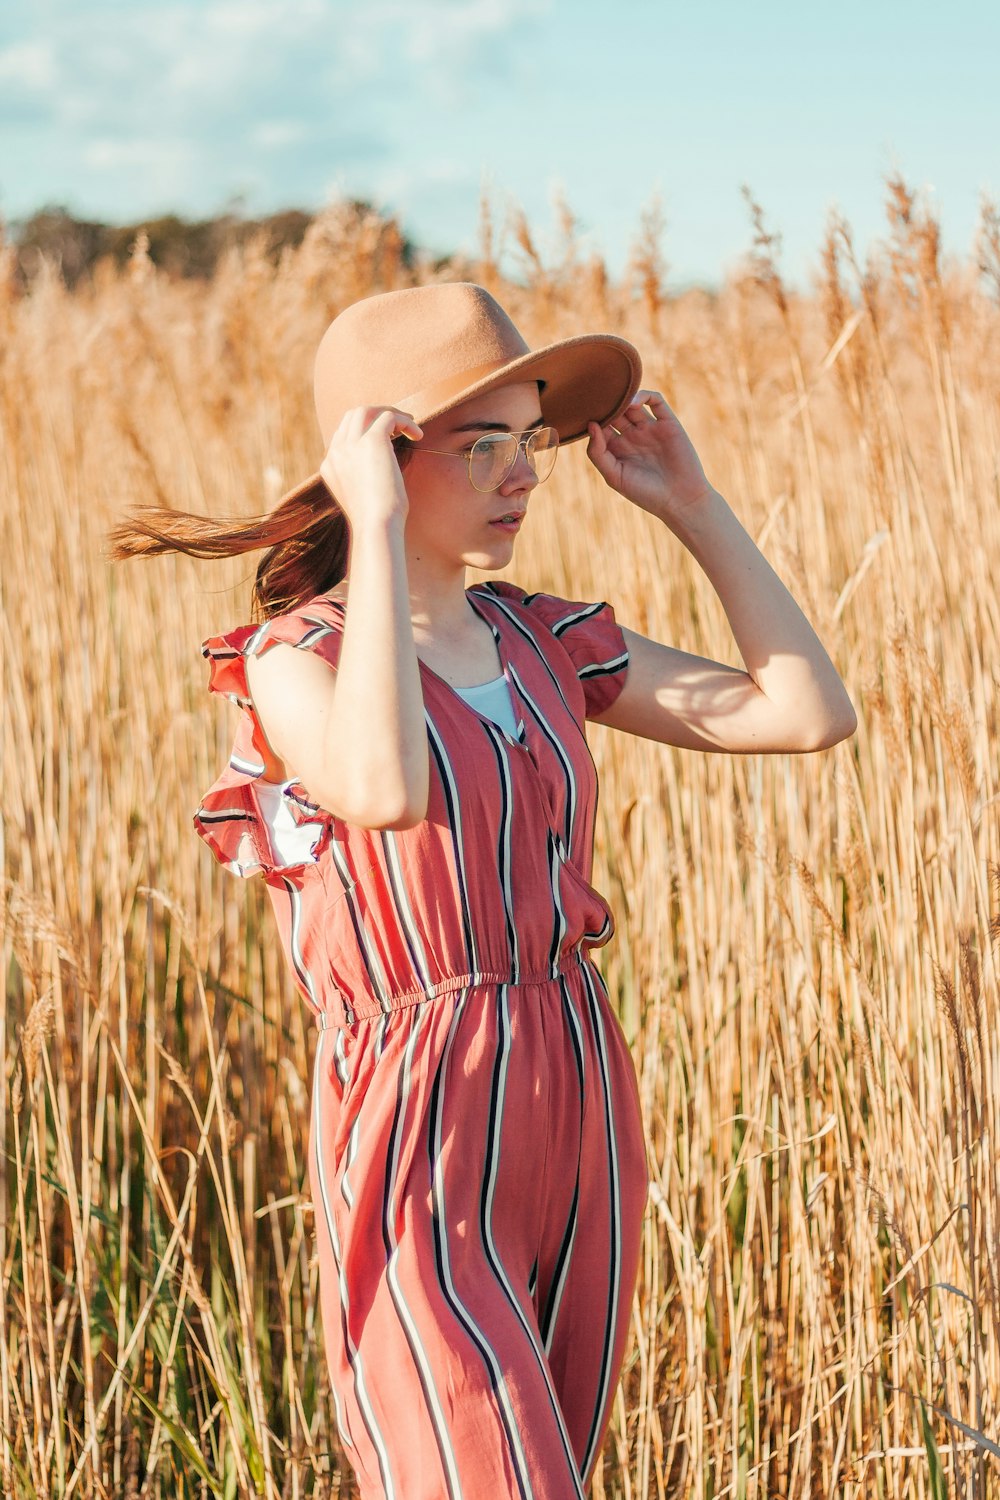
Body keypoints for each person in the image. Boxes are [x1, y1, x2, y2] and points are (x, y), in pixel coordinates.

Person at [110, 281, 856, 1499]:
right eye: (481, 444)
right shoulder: (296, 657)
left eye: (531, 443)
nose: (522, 475)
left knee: (547, 1462)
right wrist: (375, 534)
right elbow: (385, 786)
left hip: (575, 1081)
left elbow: (806, 716)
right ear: (386, 459)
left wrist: (696, 511)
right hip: (421, 1108)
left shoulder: (542, 636)